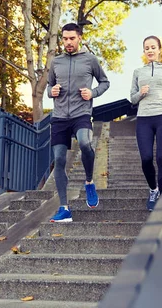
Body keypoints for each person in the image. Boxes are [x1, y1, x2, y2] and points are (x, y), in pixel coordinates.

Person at [47, 22, 110, 222]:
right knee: (59, 159)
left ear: (79, 38)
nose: (68, 42)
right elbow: (49, 86)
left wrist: (93, 93)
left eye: (71, 38)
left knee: (85, 143)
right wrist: (51, 92)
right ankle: (64, 208)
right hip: (59, 117)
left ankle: (89, 181)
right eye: (64, 39)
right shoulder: (56, 62)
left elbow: (105, 82)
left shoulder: (90, 60)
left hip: (81, 113)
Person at [130, 35, 162, 211]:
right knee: (146, 158)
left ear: (159, 49)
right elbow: (132, 98)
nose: (150, 50)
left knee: (161, 157)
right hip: (144, 119)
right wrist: (141, 93)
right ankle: (154, 190)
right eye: (147, 48)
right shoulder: (138, 72)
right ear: (144, 51)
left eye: (153, 47)